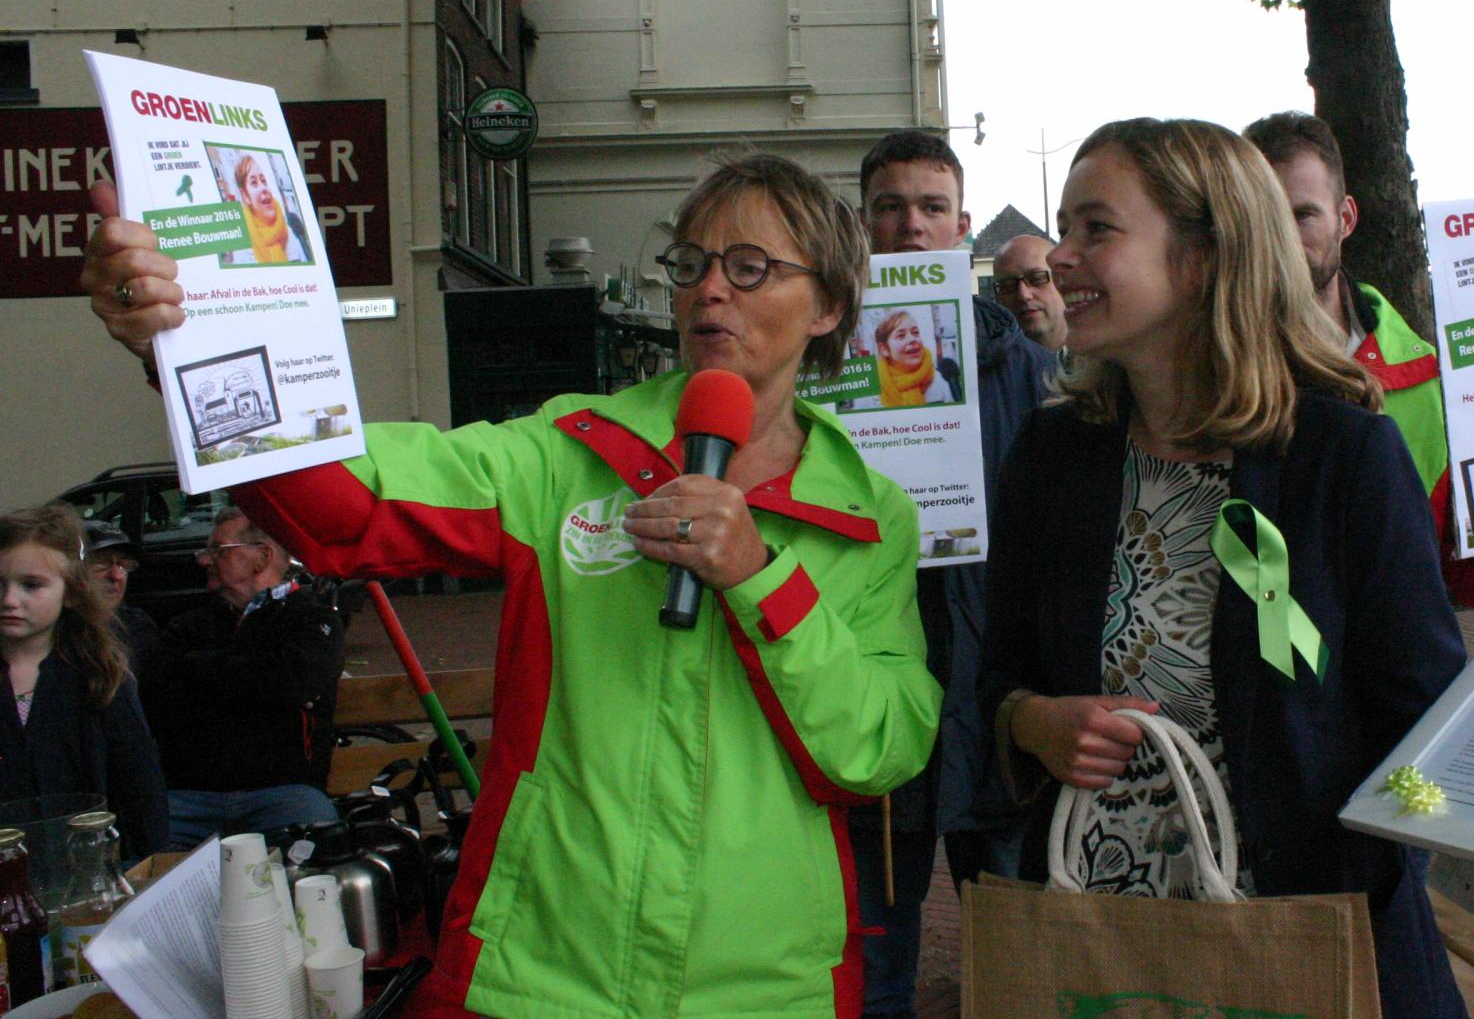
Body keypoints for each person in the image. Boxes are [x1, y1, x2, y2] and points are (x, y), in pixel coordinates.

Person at [84, 153, 940, 1017]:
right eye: (692, 263)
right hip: (542, 974)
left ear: (828, 306)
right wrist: (183, 345)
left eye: (750, 267)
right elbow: (350, 501)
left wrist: (760, 578)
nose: (710, 289)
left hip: (768, 986)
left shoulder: (870, 517)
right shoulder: (568, 454)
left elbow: (879, 750)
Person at [978, 117, 1468, 1018]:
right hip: (1104, 951)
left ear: (1203, 258)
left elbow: (1426, 721)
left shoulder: (1341, 458)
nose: (1060, 258)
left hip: (1300, 947)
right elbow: (996, 671)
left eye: (1097, 228)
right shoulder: (1053, 455)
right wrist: (1031, 720)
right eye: (1063, 226)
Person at [854, 130, 1056, 1018]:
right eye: (891, 208)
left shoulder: (1031, 369)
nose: (910, 226)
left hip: (992, 689)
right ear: (864, 224)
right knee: (875, 951)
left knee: (1010, 954)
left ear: (962, 227)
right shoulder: (827, 364)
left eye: (931, 208)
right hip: (879, 682)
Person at [1242, 111, 1474, 620]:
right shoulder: (1213, 368)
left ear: (1346, 219)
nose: (1282, 239)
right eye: (1263, 219)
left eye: (1302, 215)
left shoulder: (1427, 378)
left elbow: (1448, 562)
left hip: (1393, 677)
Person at [142, 507, 344, 849]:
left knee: (313, 864)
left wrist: (206, 672)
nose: (205, 560)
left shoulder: (312, 619)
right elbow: (160, 689)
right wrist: (255, 674)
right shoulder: (187, 624)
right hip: (189, 799)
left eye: (218, 550)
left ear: (261, 556)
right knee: (141, 868)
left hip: (283, 794)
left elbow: (291, 683)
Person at [0, 505, 168, 861]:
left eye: (31, 585)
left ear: (72, 593)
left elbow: (139, 787)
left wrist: (147, 866)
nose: (10, 600)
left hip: (86, 872)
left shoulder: (99, 675)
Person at [81, 521, 161, 681]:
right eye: (102, 562)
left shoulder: (137, 627)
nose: (116, 576)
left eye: (124, 565)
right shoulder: (50, 629)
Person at [991, 235, 1068, 354]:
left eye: (1037, 279)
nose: (1023, 294)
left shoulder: (1102, 360)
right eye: (1007, 285)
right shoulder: (982, 368)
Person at [232, 154, 306, 264]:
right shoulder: (241, 246)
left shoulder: (285, 229)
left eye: (263, 180)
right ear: (245, 196)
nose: (263, 187)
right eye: (254, 183)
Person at [872, 309, 949, 406]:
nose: (912, 339)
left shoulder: (938, 381)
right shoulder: (871, 391)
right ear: (884, 349)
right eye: (901, 335)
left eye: (915, 332)